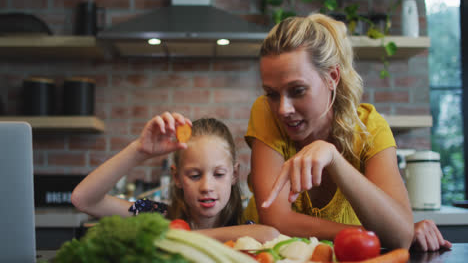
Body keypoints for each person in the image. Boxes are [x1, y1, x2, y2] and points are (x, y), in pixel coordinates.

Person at [242, 13, 451, 251]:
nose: (283, 109)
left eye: (297, 90)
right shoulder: (265, 113)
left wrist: (333, 158)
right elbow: (277, 220)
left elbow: (400, 236)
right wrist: (374, 233)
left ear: (332, 77)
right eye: (272, 94)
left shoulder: (371, 130)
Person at [71, 112, 279, 243]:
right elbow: (83, 200)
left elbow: (270, 235)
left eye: (218, 174)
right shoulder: (158, 218)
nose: (207, 186)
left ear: (234, 175)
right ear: (177, 177)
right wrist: (139, 150)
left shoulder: (242, 230)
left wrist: (182, 238)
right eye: (195, 175)